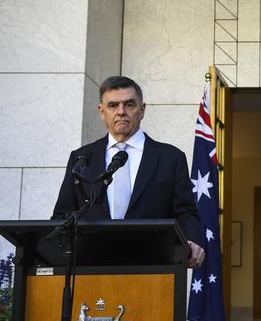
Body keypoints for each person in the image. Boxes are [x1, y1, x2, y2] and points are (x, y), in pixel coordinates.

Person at [52, 76, 205, 268]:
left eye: (129, 105)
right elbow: (63, 213)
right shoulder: (82, 158)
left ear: (142, 110)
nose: (121, 112)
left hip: (153, 266)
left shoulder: (170, 158)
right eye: (113, 105)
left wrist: (192, 239)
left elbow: (185, 211)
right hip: (91, 266)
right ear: (102, 112)